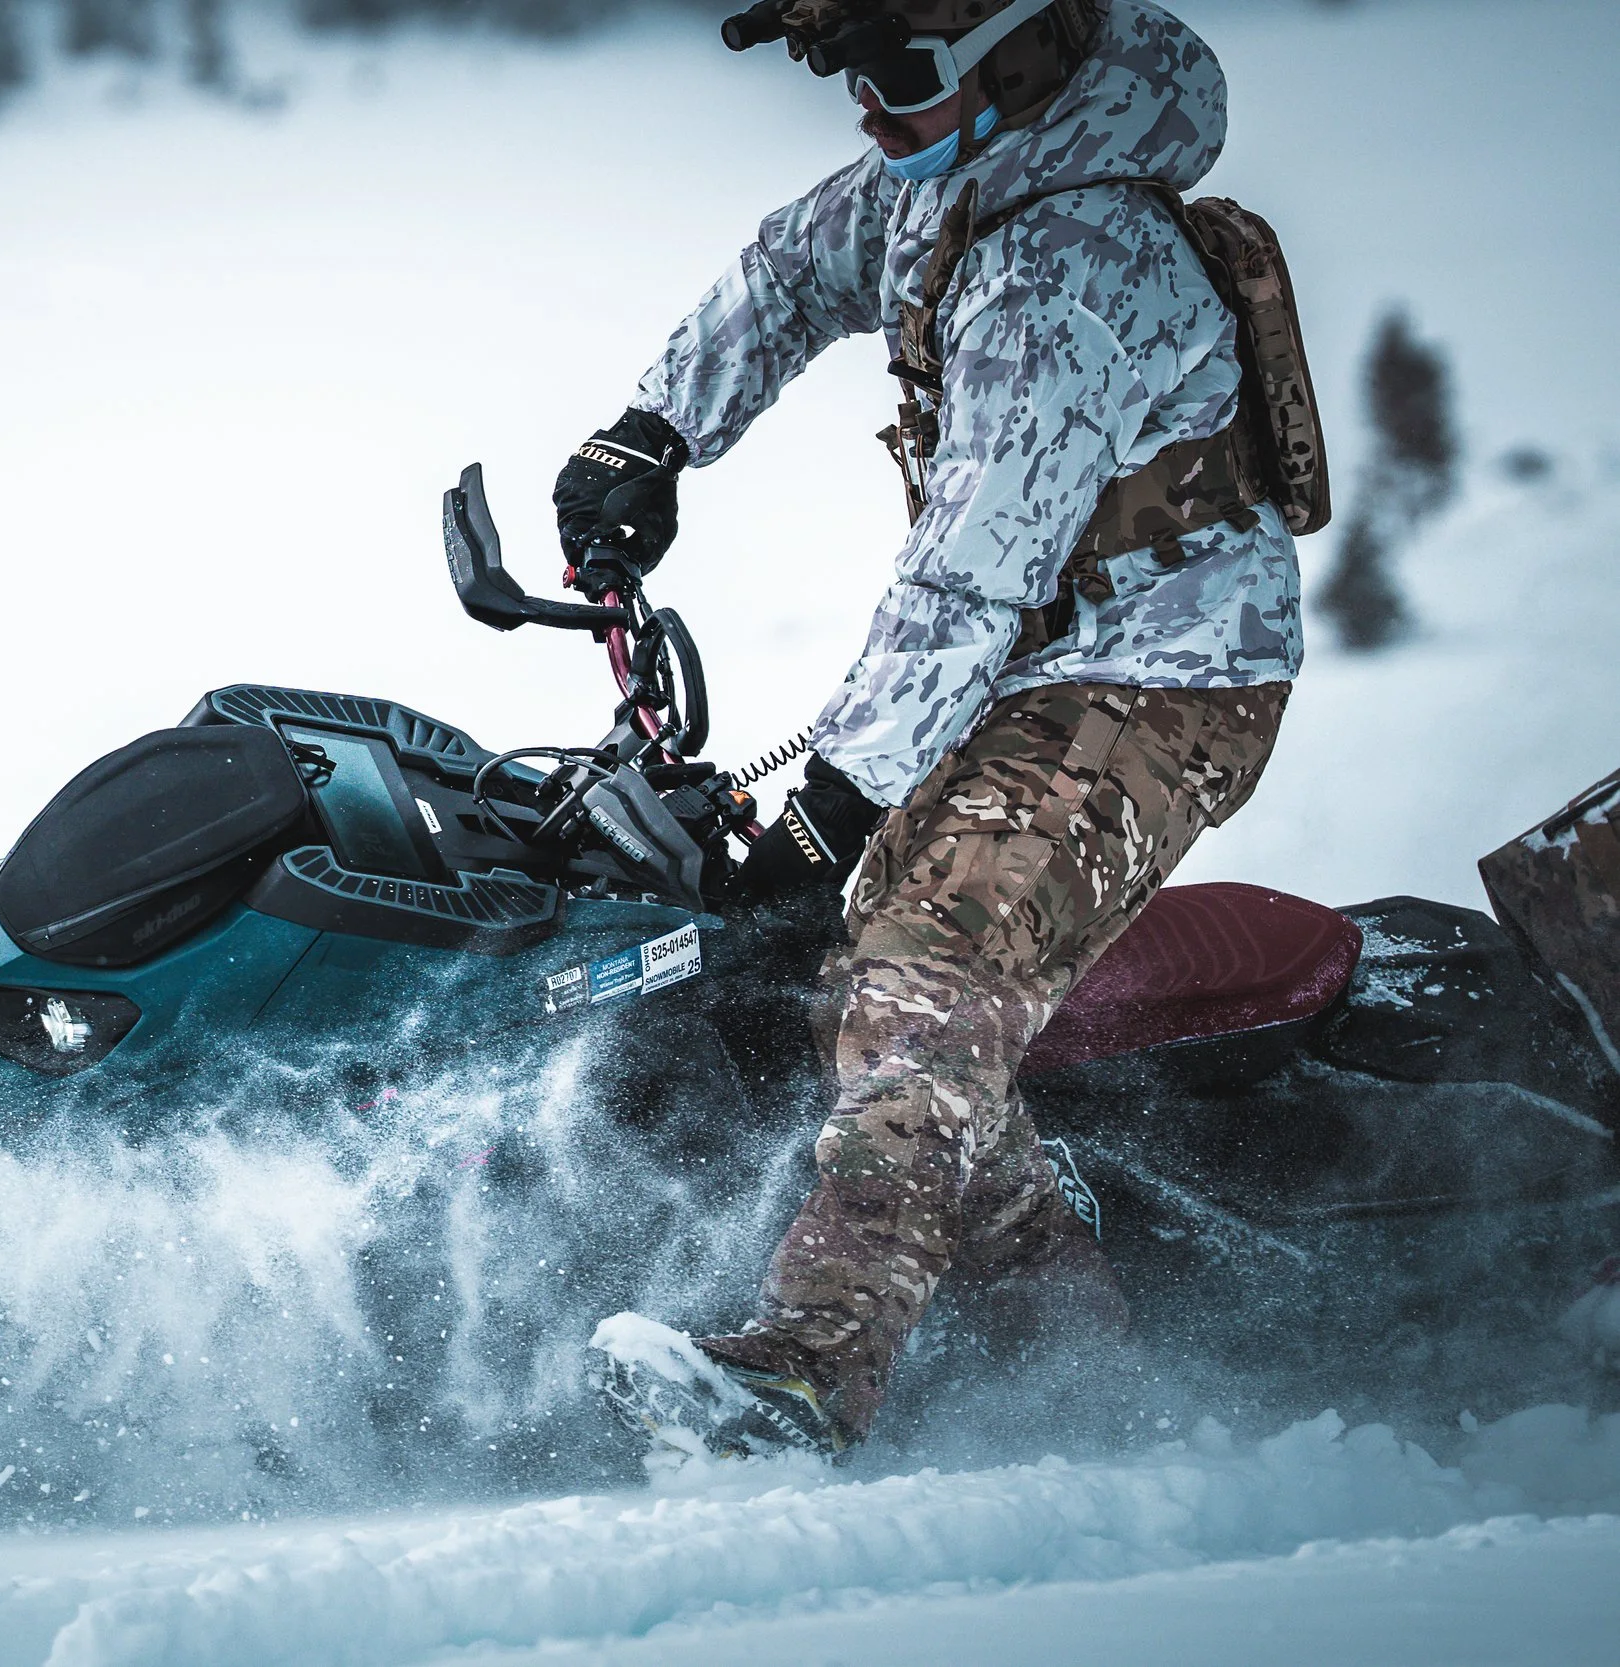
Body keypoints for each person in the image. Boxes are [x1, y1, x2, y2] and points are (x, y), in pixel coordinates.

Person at [556, 0, 1301, 1453]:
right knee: (850, 992)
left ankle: (807, 1375)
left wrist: (829, 812)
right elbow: (789, 269)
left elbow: (968, 575)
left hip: (1162, 678)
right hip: (1036, 661)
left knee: (921, 975)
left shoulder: (1074, 272)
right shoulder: (956, 178)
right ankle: (1072, 1366)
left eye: (896, 76)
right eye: (846, 73)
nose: (863, 109)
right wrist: (653, 428)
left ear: (1017, 61)